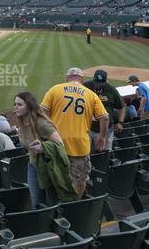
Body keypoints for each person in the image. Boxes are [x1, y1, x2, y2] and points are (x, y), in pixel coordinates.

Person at [41, 68, 109, 198]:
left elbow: (42, 113)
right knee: (80, 180)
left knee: (57, 180)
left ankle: (59, 210)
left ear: (67, 78)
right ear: (81, 80)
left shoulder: (55, 89)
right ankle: (75, 208)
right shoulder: (90, 94)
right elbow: (105, 117)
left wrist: (49, 132)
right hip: (80, 145)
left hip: (56, 144)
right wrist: (102, 137)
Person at [12, 91, 63, 209]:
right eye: (15, 104)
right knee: (36, 205)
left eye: (20, 104)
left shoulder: (41, 123)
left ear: (29, 105)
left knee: (51, 205)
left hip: (48, 168)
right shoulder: (22, 124)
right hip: (33, 166)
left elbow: (60, 145)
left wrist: (43, 147)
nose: (16, 107)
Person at [84, 69, 125, 151]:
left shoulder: (111, 89)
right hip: (88, 128)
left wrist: (120, 122)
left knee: (104, 154)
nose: (98, 85)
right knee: (87, 153)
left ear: (106, 81)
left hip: (107, 130)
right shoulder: (85, 86)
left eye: (101, 84)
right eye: (96, 83)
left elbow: (122, 107)